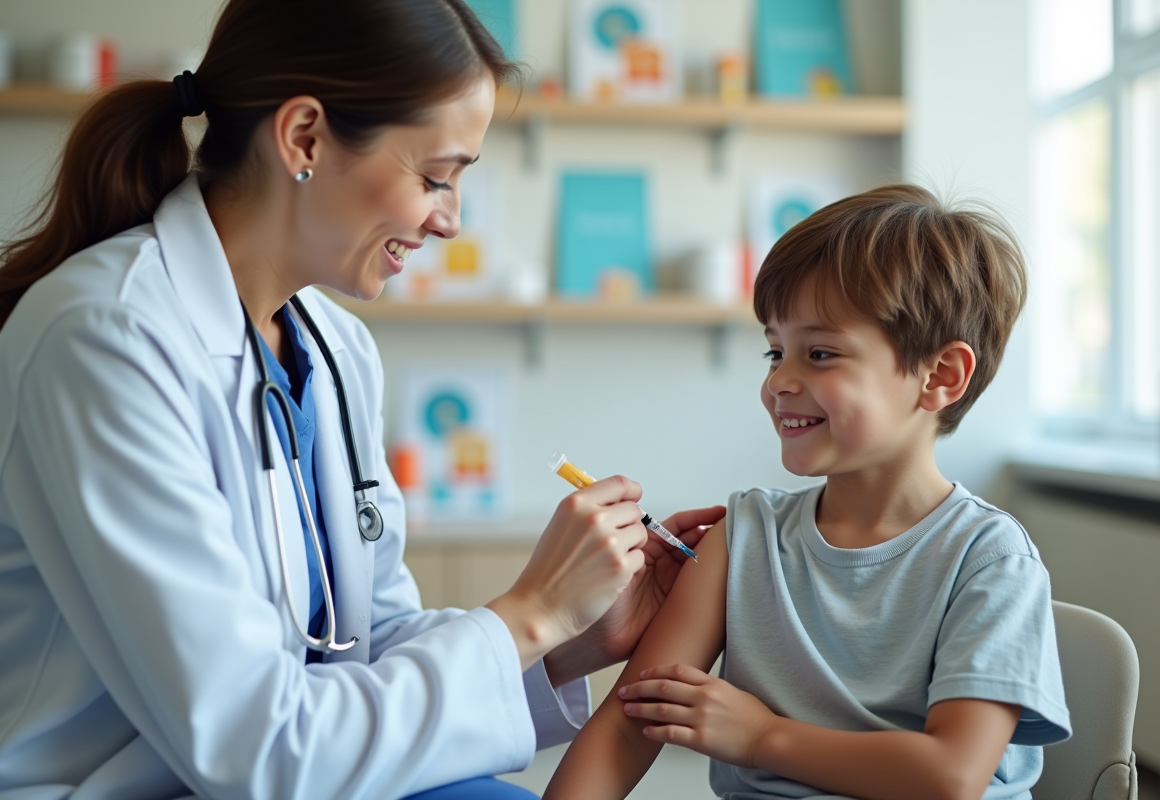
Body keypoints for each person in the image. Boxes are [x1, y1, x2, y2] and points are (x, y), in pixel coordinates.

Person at [0, 1, 724, 798]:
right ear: (304, 137)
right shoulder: (105, 339)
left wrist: (568, 641)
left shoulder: (336, 350)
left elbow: (364, 650)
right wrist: (530, 613)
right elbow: (258, 750)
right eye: (436, 177)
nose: (449, 220)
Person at [544, 185, 1073, 800]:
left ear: (940, 376)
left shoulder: (989, 559)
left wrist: (762, 738)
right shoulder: (745, 534)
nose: (778, 383)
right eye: (775, 351)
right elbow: (626, 728)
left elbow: (950, 775)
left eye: (819, 353)